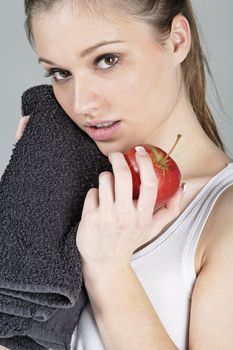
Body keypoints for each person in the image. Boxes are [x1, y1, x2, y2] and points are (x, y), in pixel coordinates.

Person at [13, 0, 233, 349]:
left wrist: (108, 270)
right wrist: (33, 189)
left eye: (106, 60)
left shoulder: (223, 220)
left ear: (177, 40)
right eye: (61, 73)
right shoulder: (68, 190)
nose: (82, 103)